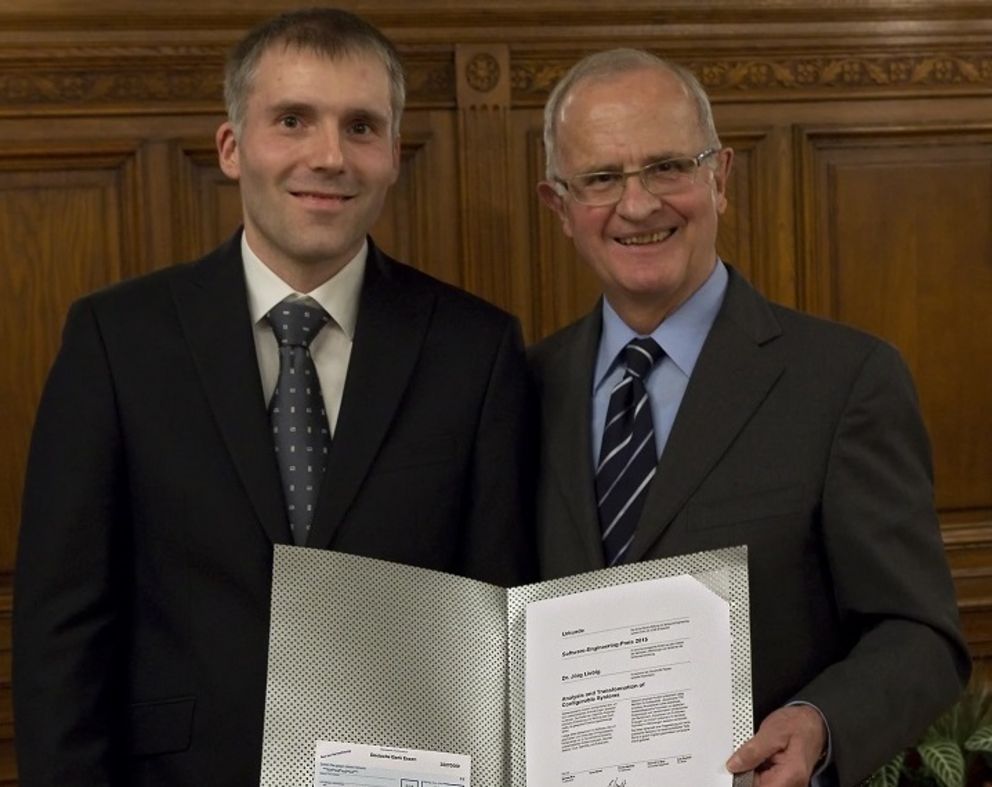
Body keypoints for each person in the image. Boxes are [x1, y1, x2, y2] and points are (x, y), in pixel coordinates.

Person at [13, 8, 534, 786]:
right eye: (293, 120)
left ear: (393, 153)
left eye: (361, 127)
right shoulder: (118, 339)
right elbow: (62, 628)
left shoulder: (474, 349)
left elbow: (497, 621)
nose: (329, 156)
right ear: (233, 146)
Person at [530, 48, 969, 787]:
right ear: (560, 207)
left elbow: (920, 634)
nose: (638, 205)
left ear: (720, 177)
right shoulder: (520, 389)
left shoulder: (845, 381)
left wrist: (819, 722)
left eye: (668, 166)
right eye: (602, 178)